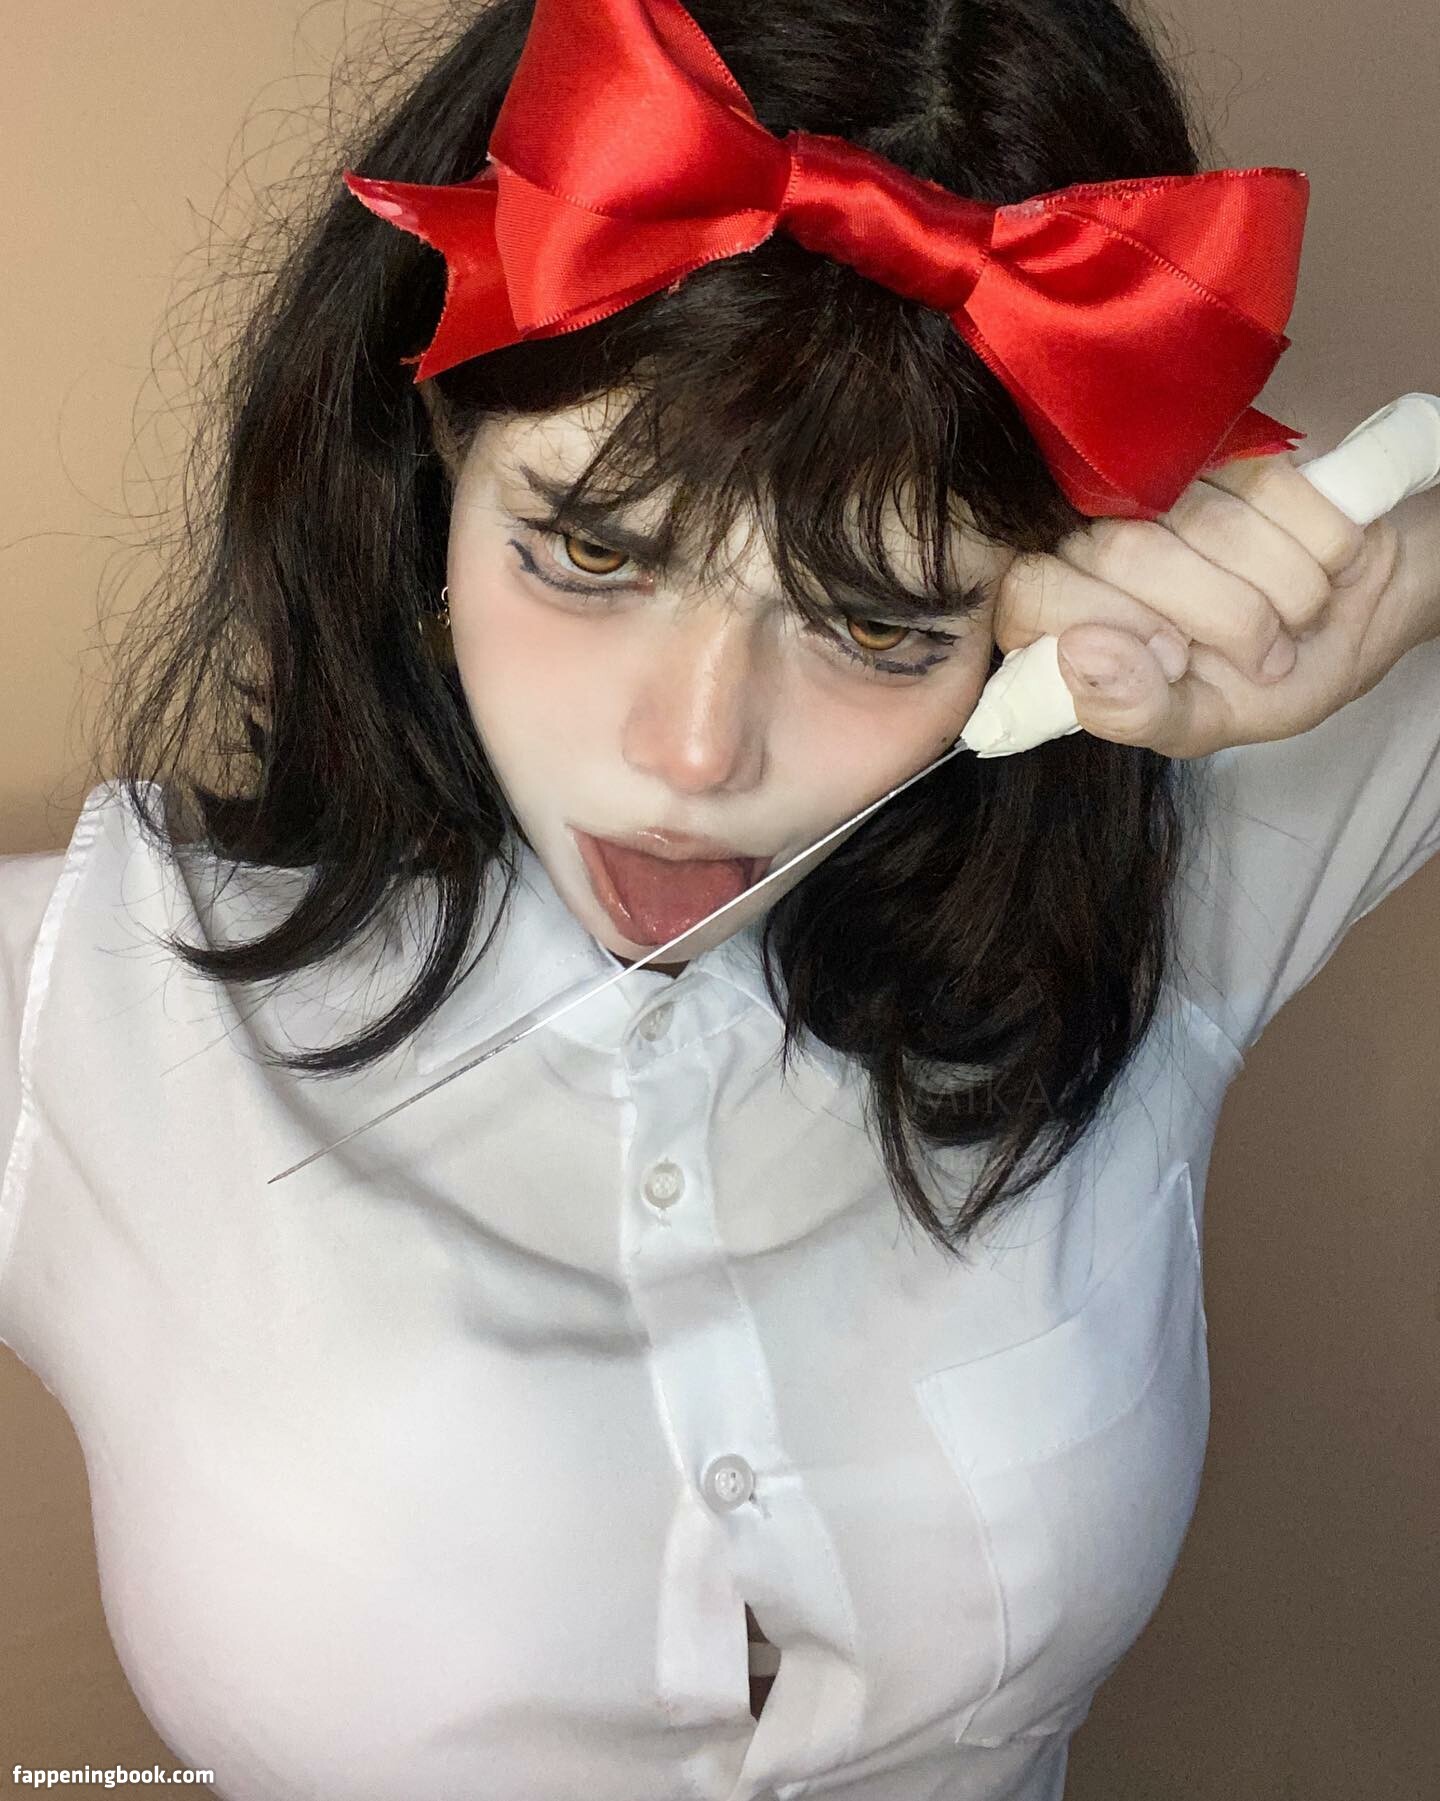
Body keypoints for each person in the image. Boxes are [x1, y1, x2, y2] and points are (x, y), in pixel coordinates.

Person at [1, 1, 1436, 1797]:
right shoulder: (84, 1006)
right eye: (590, 547)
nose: (693, 752)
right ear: (435, 449)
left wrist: (1407, 580)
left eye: (875, 622)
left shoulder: (1167, 862)